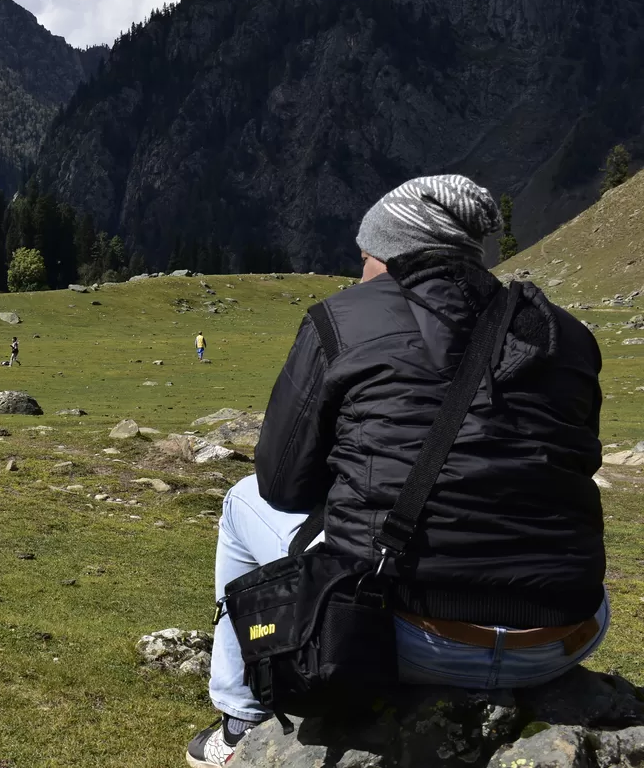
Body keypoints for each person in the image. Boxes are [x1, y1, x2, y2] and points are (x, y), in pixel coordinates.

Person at [187, 176, 608, 767]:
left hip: (407, 634)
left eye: (364, 257)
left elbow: (282, 487)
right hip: (562, 632)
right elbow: (574, 465)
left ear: (387, 255)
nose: (359, 272)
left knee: (239, 502)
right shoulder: (567, 335)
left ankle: (238, 725)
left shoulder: (343, 319)